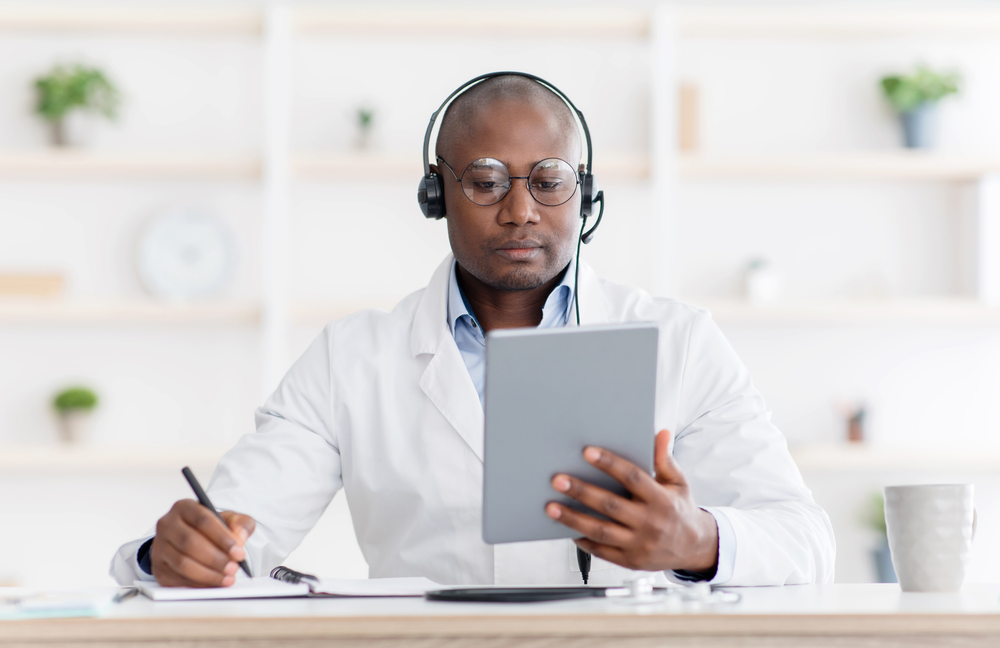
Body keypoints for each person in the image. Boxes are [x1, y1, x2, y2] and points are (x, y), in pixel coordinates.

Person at [111, 73, 835, 588]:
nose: (520, 209)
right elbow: (235, 533)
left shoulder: (681, 342)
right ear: (437, 192)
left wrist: (697, 539)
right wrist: (172, 554)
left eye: (549, 179)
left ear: (585, 196)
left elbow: (808, 543)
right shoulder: (350, 358)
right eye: (487, 180)